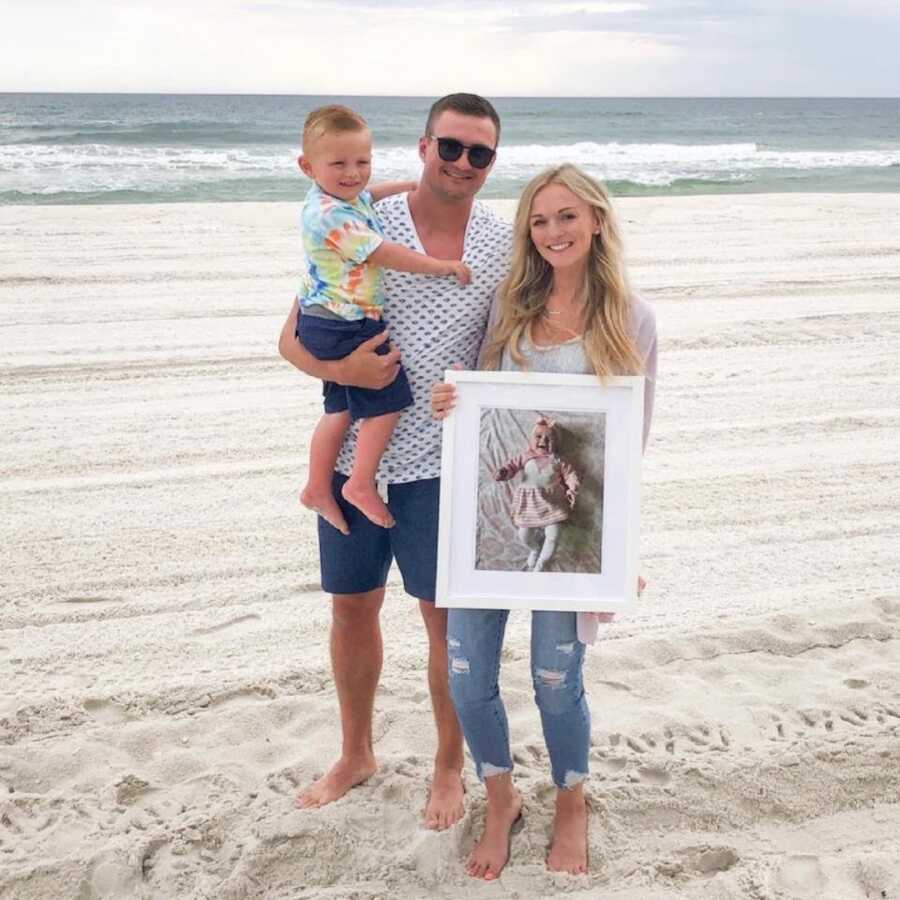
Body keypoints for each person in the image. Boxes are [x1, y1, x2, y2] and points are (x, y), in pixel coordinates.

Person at [277, 94, 512, 829]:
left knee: (444, 621)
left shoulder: (503, 243)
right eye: (452, 146)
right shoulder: (364, 214)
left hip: (445, 461)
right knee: (352, 607)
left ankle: (449, 768)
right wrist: (347, 365)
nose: (463, 163)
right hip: (357, 447)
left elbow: (510, 348)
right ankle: (356, 754)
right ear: (423, 145)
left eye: (481, 153)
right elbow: (291, 337)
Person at [430, 164, 657, 878]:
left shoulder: (633, 319)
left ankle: (570, 803)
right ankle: (500, 799)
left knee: (555, 677)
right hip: (490, 526)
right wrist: (450, 405)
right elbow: (479, 410)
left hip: (574, 528)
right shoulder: (509, 309)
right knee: (467, 672)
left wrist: (619, 551)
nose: (553, 232)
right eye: (538, 220)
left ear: (595, 221)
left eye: (566, 216)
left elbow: (631, 443)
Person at [295, 105, 471, 534]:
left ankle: (318, 486)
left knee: (339, 407)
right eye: (338, 164)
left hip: (324, 317)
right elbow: (381, 252)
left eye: (363, 162)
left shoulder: (340, 198)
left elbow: (369, 195)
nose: (353, 173)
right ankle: (358, 481)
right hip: (345, 322)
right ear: (307, 166)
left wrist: (409, 185)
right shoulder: (330, 215)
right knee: (389, 397)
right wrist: (439, 265)